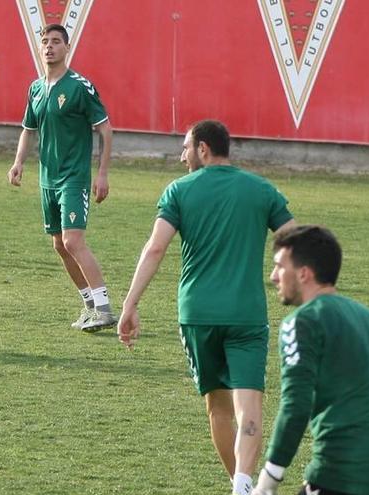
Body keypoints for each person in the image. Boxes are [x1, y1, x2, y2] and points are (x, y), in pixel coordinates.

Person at [117, 120, 295, 495]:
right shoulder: (261, 190)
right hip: (247, 315)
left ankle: (240, 486)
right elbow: (296, 241)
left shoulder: (179, 191)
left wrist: (130, 304)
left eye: (185, 148)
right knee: (249, 407)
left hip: (197, 315)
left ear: (203, 149)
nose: (181, 156)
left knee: (218, 408)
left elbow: (155, 248)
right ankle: (246, 485)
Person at [253, 225, 369, 495]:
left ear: (303, 273)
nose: (273, 276)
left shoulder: (302, 321)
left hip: (345, 472)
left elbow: (296, 404)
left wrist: (269, 478)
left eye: (279, 266)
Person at [7, 23, 116, 333]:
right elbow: (29, 129)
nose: (50, 46)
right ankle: (90, 305)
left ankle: (105, 309)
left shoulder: (80, 86)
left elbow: (105, 130)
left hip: (74, 177)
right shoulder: (36, 88)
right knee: (59, 244)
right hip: (47, 179)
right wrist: (18, 163)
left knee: (73, 240)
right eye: (45, 42)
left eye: (56, 41)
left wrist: (102, 173)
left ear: (67, 48)